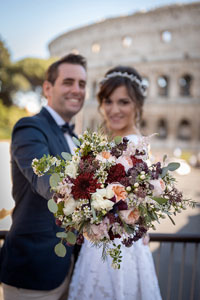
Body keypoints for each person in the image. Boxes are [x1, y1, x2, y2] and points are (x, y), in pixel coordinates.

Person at [68, 66, 162, 300]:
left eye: (124, 102)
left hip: (120, 249)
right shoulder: (111, 143)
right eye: (108, 101)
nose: (114, 110)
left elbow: (134, 206)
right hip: (98, 245)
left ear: (137, 105)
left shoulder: (135, 146)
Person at [0, 53, 87, 300]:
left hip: (70, 269)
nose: (77, 90)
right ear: (47, 88)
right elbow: (45, 178)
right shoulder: (30, 128)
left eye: (82, 84)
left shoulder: (79, 140)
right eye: (68, 82)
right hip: (32, 272)